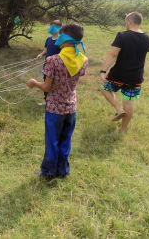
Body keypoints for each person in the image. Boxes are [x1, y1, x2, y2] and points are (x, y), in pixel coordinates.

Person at [27, 24, 88, 180]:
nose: (58, 38)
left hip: (55, 109)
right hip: (71, 107)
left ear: (66, 39)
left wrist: (34, 83)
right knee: (65, 140)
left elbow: (47, 87)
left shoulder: (53, 60)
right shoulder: (83, 59)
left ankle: (48, 173)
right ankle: (62, 171)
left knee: (52, 141)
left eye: (61, 35)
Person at [100, 12, 149, 133]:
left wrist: (103, 71)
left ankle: (118, 109)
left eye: (125, 21)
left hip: (118, 74)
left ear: (129, 21)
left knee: (104, 88)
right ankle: (122, 130)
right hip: (136, 77)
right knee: (128, 102)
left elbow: (113, 54)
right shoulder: (148, 38)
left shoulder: (122, 35)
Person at [36, 20, 62, 105]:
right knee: (45, 82)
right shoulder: (48, 39)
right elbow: (46, 49)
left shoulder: (61, 40)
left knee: (55, 84)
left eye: (53, 27)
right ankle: (46, 100)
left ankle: (55, 101)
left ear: (59, 28)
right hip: (46, 66)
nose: (51, 28)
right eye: (51, 26)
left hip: (56, 67)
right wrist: (41, 54)